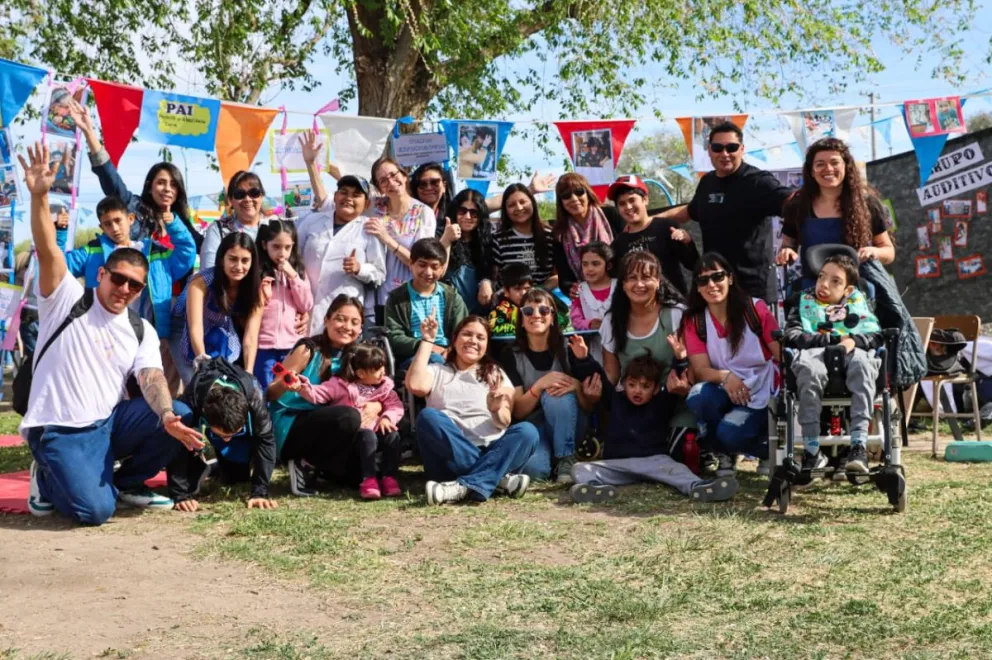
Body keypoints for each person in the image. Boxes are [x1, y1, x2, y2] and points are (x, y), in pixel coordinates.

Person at [18, 142, 203, 524]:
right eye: (118, 279)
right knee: (95, 512)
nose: (125, 289)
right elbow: (48, 249)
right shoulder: (66, 298)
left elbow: (151, 377)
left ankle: (127, 482)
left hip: (109, 422)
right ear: (102, 274)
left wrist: (167, 415)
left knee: (180, 412)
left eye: (135, 286)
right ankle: (48, 475)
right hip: (61, 427)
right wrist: (39, 197)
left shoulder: (141, 329)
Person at [569, 348, 739, 503]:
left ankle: (700, 487)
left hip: (654, 461)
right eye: (632, 384)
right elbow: (599, 378)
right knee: (579, 468)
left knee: (678, 469)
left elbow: (676, 378)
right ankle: (594, 489)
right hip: (617, 463)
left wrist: (680, 359)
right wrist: (584, 359)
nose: (637, 390)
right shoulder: (615, 400)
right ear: (624, 384)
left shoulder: (661, 403)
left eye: (645, 386)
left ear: (656, 388)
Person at [407, 315, 540, 505]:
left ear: (486, 345)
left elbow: (505, 421)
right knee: (428, 417)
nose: (473, 341)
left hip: (491, 448)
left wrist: (495, 410)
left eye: (480, 337)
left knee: (528, 431)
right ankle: (495, 478)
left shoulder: (495, 373)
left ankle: (463, 486)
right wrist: (428, 340)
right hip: (449, 456)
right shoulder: (437, 371)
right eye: (467, 334)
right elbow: (415, 384)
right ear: (455, 339)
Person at [266, 295, 386, 496]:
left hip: (332, 429)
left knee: (361, 475)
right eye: (340, 319)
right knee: (349, 416)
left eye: (354, 322)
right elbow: (270, 392)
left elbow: (381, 389)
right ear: (326, 320)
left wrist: (377, 406)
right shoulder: (308, 349)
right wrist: (288, 386)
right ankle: (300, 462)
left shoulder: (358, 355)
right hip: (292, 425)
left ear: (360, 329)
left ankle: (321, 469)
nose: (346, 326)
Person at [658, 122, 792, 301]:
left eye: (732, 147)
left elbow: (795, 205)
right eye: (717, 148)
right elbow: (689, 211)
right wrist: (650, 221)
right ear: (709, 150)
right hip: (715, 287)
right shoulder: (707, 182)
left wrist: (789, 244)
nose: (725, 154)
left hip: (752, 290)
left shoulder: (758, 182)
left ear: (742, 149)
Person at [65, 196, 196, 371]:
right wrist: (60, 232)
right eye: (107, 224)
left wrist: (174, 225)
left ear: (131, 219)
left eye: (118, 221)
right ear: (101, 227)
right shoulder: (92, 251)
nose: (114, 228)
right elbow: (58, 268)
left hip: (150, 335)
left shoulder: (154, 253)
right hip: (104, 334)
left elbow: (186, 254)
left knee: (153, 387)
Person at [783, 254, 883, 475]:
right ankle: (811, 450)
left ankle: (858, 446)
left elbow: (876, 335)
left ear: (848, 290)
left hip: (853, 351)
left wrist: (853, 341)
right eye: (821, 277)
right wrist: (830, 340)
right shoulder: (804, 302)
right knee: (808, 369)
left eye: (835, 281)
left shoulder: (858, 304)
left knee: (862, 364)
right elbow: (791, 334)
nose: (824, 285)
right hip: (814, 352)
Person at [684, 253, 781, 476]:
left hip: (759, 391)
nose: (711, 285)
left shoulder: (755, 309)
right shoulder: (694, 320)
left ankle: (766, 449)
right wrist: (727, 377)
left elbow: (780, 355)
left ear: (730, 278)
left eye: (717, 277)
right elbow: (701, 369)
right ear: (697, 288)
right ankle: (724, 454)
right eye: (703, 280)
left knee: (729, 433)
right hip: (723, 386)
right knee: (698, 396)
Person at [501, 288, 601, 483]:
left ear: (553, 317)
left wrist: (575, 385)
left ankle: (566, 457)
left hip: (570, 423)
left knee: (558, 391)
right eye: (528, 312)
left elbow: (589, 406)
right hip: (534, 427)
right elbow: (518, 412)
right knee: (535, 472)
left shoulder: (569, 348)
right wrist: (539, 386)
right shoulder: (510, 354)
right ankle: (557, 460)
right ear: (521, 319)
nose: (536, 316)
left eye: (544, 311)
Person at [71, 99, 200, 248]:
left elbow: (211, 248)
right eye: (161, 183)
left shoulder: (182, 224)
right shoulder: (133, 206)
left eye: (173, 185)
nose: (167, 189)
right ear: (149, 186)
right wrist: (89, 132)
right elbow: (109, 175)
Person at [298, 130, 385, 327]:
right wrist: (311, 163)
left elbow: (379, 273)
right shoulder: (312, 222)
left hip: (345, 318)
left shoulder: (369, 229)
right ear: (335, 196)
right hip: (305, 313)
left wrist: (359, 269)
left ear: (367, 203)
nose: (348, 198)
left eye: (356, 195)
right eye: (343, 192)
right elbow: (295, 259)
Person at [167, 357, 278, 512]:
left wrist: (260, 492)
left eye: (232, 434)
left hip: (243, 433)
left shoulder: (254, 397)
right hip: (202, 404)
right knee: (181, 418)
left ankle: (216, 465)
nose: (227, 439)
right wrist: (180, 495)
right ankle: (203, 464)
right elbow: (178, 443)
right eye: (223, 435)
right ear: (205, 415)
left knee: (237, 478)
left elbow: (266, 440)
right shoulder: (194, 398)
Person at [294, 343, 403, 499]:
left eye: (383, 367)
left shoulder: (385, 388)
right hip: (355, 438)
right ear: (361, 373)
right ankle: (369, 479)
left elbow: (396, 406)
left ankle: (389, 477)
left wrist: (387, 418)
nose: (383, 372)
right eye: (377, 369)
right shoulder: (340, 385)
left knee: (393, 436)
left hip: (377, 428)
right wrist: (303, 387)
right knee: (367, 436)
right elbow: (320, 393)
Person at [777, 138, 895, 281]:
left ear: (846, 167)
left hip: (857, 292)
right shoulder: (797, 206)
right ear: (811, 172)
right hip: (811, 293)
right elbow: (787, 246)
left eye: (834, 163)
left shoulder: (867, 204)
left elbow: (888, 252)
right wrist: (786, 252)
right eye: (820, 164)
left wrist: (874, 251)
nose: (828, 169)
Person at [173, 232, 264, 385]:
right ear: (222, 260)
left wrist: (248, 374)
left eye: (245, 260)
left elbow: (251, 337)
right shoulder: (200, 282)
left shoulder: (255, 289)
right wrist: (202, 361)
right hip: (183, 328)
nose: (239, 267)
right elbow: (195, 328)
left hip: (221, 331)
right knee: (196, 385)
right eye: (233, 259)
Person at [606, 175, 699, 297]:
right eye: (622, 203)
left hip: (674, 303)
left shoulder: (666, 227)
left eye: (632, 200)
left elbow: (693, 264)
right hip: (641, 310)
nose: (628, 207)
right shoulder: (619, 244)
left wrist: (687, 242)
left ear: (645, 200)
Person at [366, 157, 437, 312]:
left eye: (393, 174)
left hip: (411, 298)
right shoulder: (375, 207)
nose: (390, 182)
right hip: (380, 298)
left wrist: (387, 239)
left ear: (404, 175)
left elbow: (422, 261)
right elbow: (347, 195)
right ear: (379, 188)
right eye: (383, 180)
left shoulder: (424, 213)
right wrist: (313, 163)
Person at [384, 237, 468, 368]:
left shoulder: (452, 297)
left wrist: (451, 350)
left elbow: (463, 330)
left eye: (434, 267)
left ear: (442, 269)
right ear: (411, 264)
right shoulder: (397, 298)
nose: (428, 272)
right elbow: (394, 337)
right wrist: (427, 346)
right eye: (422, 265)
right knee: (435, 361)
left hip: (449, 354)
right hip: (413, 356)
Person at [254, 221, 314, 388]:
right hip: (264, 345)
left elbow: (306, 304)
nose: (282, 253)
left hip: (291, 345)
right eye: (276, 247)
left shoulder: (296, 271)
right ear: (265, 245)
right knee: (265, 389)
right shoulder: (258, 270)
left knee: (288, 388)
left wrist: (293, 276)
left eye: (287, 247)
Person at [550, 173, 622, 297]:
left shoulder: (611, 215)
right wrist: (570, 288)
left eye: (579, 191)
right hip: (586, 297)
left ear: (587, 193)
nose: (574, 198)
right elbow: (564, 278)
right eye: (566, 195)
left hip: (620, 290)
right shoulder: (559, 232)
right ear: (561, 202)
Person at [440, 189, 495, 314]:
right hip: (448, 312)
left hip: (478, 314)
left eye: (474, 213)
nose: (467, 217)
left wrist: (485, 282)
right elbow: (436, 268)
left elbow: (492, 272)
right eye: (462, 211)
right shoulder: (440, 233)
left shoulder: (487, 241)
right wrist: (446, 239)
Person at [200, 171, 269, 271]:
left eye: (254, 193)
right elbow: (208, 272)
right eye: (240, 194)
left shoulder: (274, 227)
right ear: (231, 200)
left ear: (262, 196)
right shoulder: (218, 229)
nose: (247, 199)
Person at [491, 184, 555, 289]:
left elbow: (557, 275)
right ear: (505, 210)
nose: (519, 208)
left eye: (523, 202)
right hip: (508, 301)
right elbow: (493, 279)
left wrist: (540, 290)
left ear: (532, 203)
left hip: (541, 300)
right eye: (511, 205)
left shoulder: (550, 237)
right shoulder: (498, 240)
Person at [570, 242, 616, 362]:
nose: (589, 269)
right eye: (585, 264)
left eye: (596, 264)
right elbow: (575, 320)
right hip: (595, 349)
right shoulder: (579, 290)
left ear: (609, 265)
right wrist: (589, 324)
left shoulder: (619, 287)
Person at [488, 263, 534, 337]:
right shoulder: (500, 312)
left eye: (527, 288)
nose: (523, 293)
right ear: (506, 291)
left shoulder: (538, 307)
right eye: (517, 289)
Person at [409, 162, 455, 236]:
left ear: (444, 186)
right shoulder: (407, 216)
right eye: (423, 184)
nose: (429, 187)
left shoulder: (454, 216)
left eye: (434, 182)